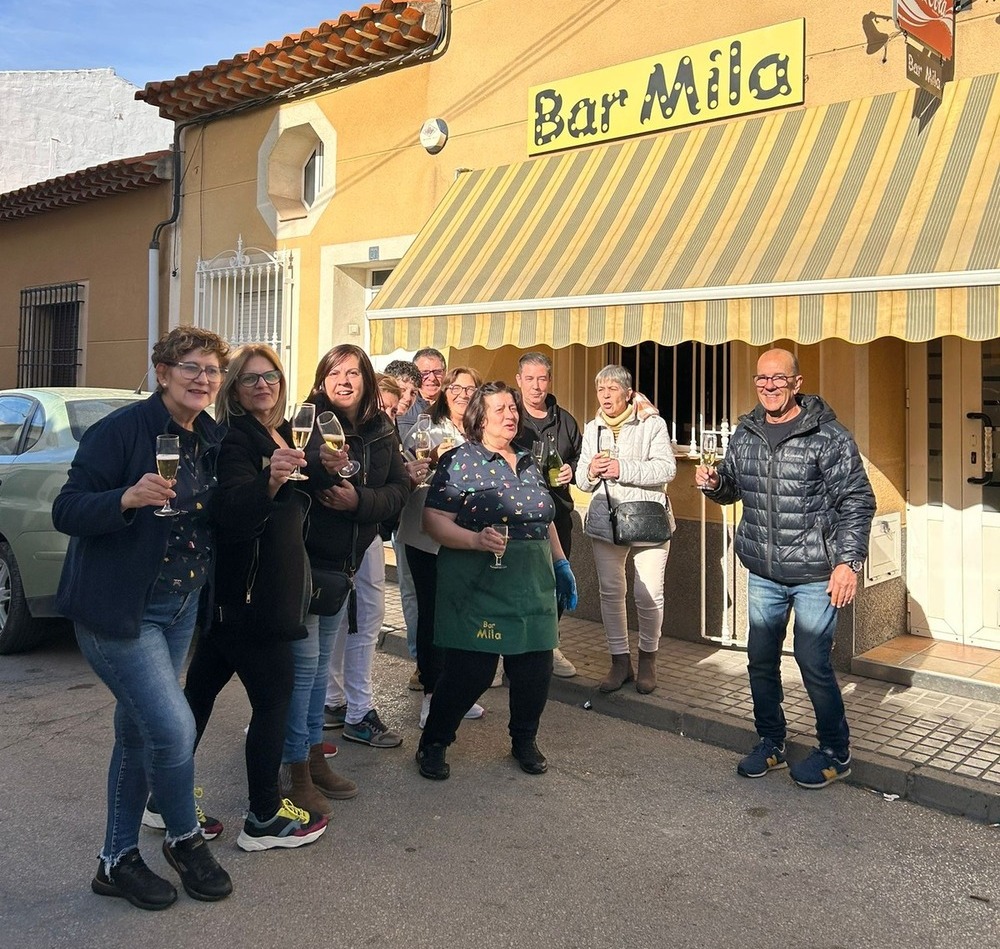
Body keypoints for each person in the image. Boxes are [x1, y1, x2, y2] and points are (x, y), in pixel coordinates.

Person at [52, 326, 233, 910]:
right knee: (174, 729)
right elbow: (67, 509)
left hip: (180, 607)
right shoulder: (119, 432)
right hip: (121, 614)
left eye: (211, 370)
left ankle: (116, 859)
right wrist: (125, 499)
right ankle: (183, 839)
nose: (202, 378)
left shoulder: (210, 435)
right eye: (191, 367)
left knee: (138, 732)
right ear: (162, 372)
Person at [696, 347, 875, 789]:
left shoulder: (828, 436)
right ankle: (771, 742)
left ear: (797, 382)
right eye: (762, 379)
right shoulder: (747, 431)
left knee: (813, 662)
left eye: (778, 379)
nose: (769, 386)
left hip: (816, 572)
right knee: (759, 660)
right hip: (764, 572)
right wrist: (716, 484)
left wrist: (849, 563)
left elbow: (857, 500)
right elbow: (735, 487)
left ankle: (836, 751)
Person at [182, 344, 329, 852]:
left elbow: (302, 485)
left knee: (197, 696)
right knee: (273, 701)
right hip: (251, 596)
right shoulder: (235, 442)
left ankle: (164, 798)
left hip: (241, 596)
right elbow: (231, 515)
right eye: (250, 380)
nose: (263, 386)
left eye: (270, 377)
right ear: (235, 392)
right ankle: (263, 817)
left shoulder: (281, 433)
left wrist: (329, 465)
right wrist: (270, 478)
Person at [415, 381, 578, 781]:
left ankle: (524, 740)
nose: (510, 414)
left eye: (513, 408)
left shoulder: (528, 460)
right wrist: (474, 539)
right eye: (500, 408)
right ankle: (434, 742)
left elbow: (546, 518)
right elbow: (432, 520)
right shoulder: (459, 460)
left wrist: (561, 563)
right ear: (480, 418)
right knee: (471, 671)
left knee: (535, 669)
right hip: (480, 581)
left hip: (532, 582)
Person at [299, 345, 409, 758]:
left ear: (366, 378)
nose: (344, 380)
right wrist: (317, 467)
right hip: (313, 551)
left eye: (352, 373)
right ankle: (315, 720)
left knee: (365, 626)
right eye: (335, 373)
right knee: (312, 643)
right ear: (322, 379)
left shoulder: (381, 427)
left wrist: (359, 502)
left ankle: (357, 710)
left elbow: (398, 489)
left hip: (363, 543)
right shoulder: (304, 420)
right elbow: (292, 478)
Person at [575, 365, 675, 695]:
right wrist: (590, 471)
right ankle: (620, 662)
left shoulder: (652, 423)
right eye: (600, 389)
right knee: (611, 592)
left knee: (648, 595)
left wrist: (622, 468)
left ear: (628, 393)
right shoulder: (593, 428)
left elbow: (667, 468)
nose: (605, 395)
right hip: (606, 520)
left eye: (612, 389)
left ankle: (648, 661)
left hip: (647, 518)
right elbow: (581, 481)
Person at [397, 367, 486, 727]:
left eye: (470, 388)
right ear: (445, 392)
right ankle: (432, 694)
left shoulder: (482, 433)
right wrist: (433, 458)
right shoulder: (425, 426)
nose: (463, 394)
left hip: (468, 535)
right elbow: (408, 467)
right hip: (426, 535)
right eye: (457, 387)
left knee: (461, 614)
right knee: (433, 614)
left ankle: (457, 692)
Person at [512, 352, 582, 678]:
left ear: (549, 381)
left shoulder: (565, 420)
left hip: (559, 513)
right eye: (530, 379)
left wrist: (574, 470)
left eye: (542, 379)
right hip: (518, 516)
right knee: (517, 585)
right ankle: (507, 653)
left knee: (555, 581)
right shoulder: (510, 419)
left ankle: (551, 645)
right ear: (519, 381)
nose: (537, 386)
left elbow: (582, 461)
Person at [381, 358, 425, 686]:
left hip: (412, 512)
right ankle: (420, 660)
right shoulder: (382, 419)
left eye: (413, 391)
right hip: (393, 519)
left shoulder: (398, 419)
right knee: (409, 592)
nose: (408, 397)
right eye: (403, 390)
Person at [397, 347, 446, 440]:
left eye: (437, 372)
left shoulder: (451, 407)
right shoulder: (403, 404)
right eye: (425, 372)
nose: (432, 378)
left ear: (445, 373)